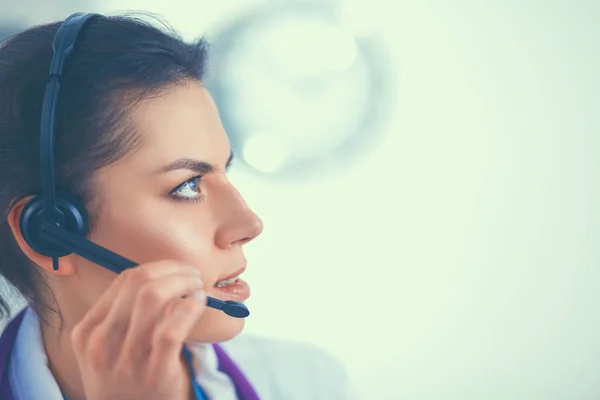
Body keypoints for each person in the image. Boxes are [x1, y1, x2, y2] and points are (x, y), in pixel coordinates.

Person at [0, 12, 354, 400]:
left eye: (225, 172)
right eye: (188, 185)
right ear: (50, 230)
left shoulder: (306, 383)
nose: (249, 223)